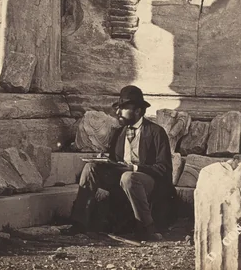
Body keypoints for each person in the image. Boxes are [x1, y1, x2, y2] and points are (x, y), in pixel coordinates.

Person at [70, 85, 174, 241]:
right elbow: (115, 160)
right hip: (122, 179)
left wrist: (134, 168)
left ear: (138, 111)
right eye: (118, 108)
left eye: (123, 108)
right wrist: (105, 161)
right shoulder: (119, 132)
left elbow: (164, 168)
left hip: (148, 182)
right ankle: (79, 224)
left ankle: (148, 228)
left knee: (128, 177)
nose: (117, 112)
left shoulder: (156, 132)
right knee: (90, 168)